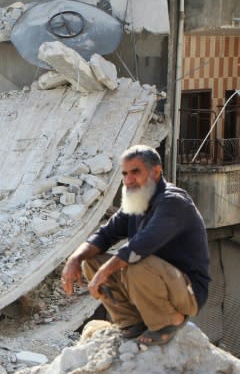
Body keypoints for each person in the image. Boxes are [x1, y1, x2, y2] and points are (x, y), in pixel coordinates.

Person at [61, 145, 210, 346]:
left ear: (156, 172)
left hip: (187, 291)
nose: (128, 180)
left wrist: (103, 274)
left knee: (135, 262)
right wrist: (74, 259)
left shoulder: (173, 202)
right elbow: (104, 235)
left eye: (135, 172)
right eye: (125, 174)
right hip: (155, 279)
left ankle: (169, 321)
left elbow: (141, 245)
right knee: (91, 260)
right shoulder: (137, 201)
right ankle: (133, 321)